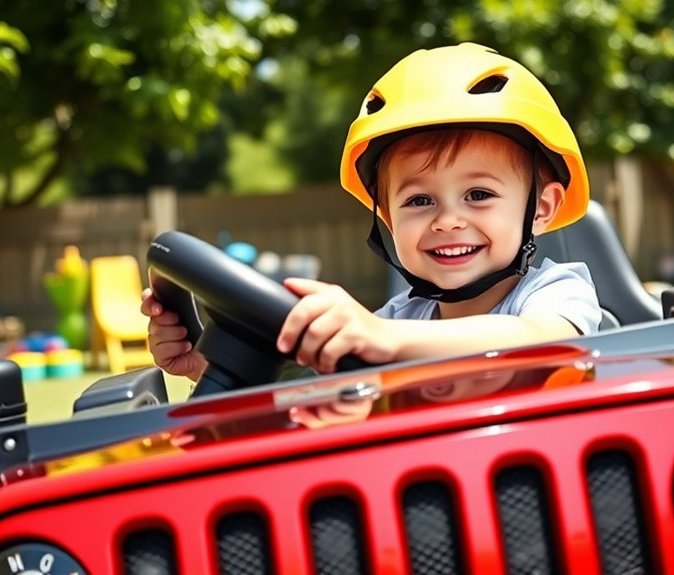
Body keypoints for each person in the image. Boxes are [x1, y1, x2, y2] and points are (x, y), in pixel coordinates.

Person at [141, 42, 601, 385]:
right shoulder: (401, 317)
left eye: (478, 194)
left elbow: (540, 338)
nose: (447, 221)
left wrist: (384, 339)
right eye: (419, 201)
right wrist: (216, 361)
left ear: (540, 208)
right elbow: (321, 383)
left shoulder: (554, 294)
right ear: (386, 217)